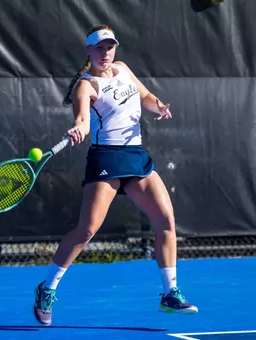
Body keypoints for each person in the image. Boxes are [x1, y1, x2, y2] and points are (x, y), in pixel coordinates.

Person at [33, 24, 198, 326]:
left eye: (109, 46)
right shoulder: (86, 85)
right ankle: (47, 287)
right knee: (86, 231)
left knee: (166, 220)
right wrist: (80, 127)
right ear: (88, 51)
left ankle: (170, 293)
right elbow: (83, 117)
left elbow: (145, 95)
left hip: (135, 156)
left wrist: (157, 105)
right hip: (106, 158)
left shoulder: (122, 68)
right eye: (99, 47)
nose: (105, 52)